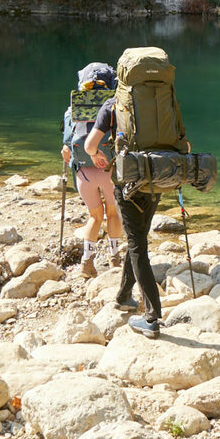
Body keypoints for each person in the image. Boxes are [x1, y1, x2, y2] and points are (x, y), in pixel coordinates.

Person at [83, 95, 161, 338]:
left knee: (137, 243)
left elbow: (89, 145)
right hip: (157, 180)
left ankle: (152, 317)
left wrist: (95, 155)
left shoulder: (113, 104)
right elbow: (185, 146)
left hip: (127, 182)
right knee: (138, 237)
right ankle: (124, 296)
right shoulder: (161, 99)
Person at [62, 63, 122, 278]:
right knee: (113, 213)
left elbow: (66, 148)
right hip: (110, 171)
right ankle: (115, 259)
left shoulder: (72, 110)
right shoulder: (115, 107)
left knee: (94, 217)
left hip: (84, 174)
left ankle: (87, 262)